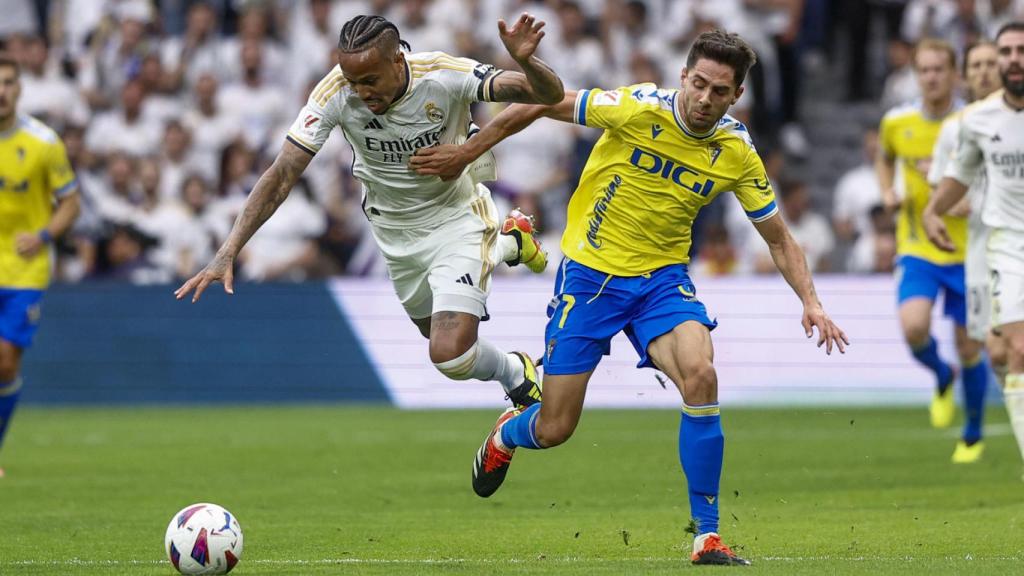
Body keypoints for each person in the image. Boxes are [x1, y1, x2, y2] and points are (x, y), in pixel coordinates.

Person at [411, 29, 848, 566]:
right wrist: (467, 151)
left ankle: (706, 535)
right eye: (700, 84)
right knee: (555, 428)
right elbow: (544, 102)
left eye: (720, 91)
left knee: (702, 376)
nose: (706, 98)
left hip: (661, 283)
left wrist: (812, 301)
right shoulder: (636, 107)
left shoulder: (735, 151)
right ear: (683, 77)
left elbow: (777, 236)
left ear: (736, 97)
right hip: (590, 279)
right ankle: (509, 433)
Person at [175, 14, 564, 411]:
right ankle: (509, 255)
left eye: (370, 80)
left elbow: (549, 95)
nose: (361, 92)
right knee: (436, 338)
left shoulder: (444, 74)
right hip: (393, 233)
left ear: (397, 61)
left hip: (455, 214)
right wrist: (229, 249)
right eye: (353, 81)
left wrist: (525, 65)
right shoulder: (334, 91)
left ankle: (513, 363)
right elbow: (282, 175)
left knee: (449, 353)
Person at [924, 21, 1024, 473]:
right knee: (1005, 351)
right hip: (1000, 246)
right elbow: (953, 179)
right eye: (992, 57)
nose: (1005, 63)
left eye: (1014, 52)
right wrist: (935, 211)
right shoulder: (970, 124)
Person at [876, 38, 980, 431]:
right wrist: (888, 190)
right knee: (914, 327)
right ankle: (941, 373)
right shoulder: (897, 122)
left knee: (969, 345)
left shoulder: (974, 122)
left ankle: (972, 434)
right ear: (915, 75)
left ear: (955, 74)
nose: (931, 77)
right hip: (918, 245)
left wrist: (967, 200)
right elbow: (884, 157)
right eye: (924, 70)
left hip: (969, 248)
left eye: (939, 69)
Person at [0, 52, 80, 477]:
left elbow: (71, 201)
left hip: (24, 268)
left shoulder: (43, 142)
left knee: (6, 362)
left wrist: (45, 234)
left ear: (19, 88)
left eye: (8, 82)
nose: (1, 90)